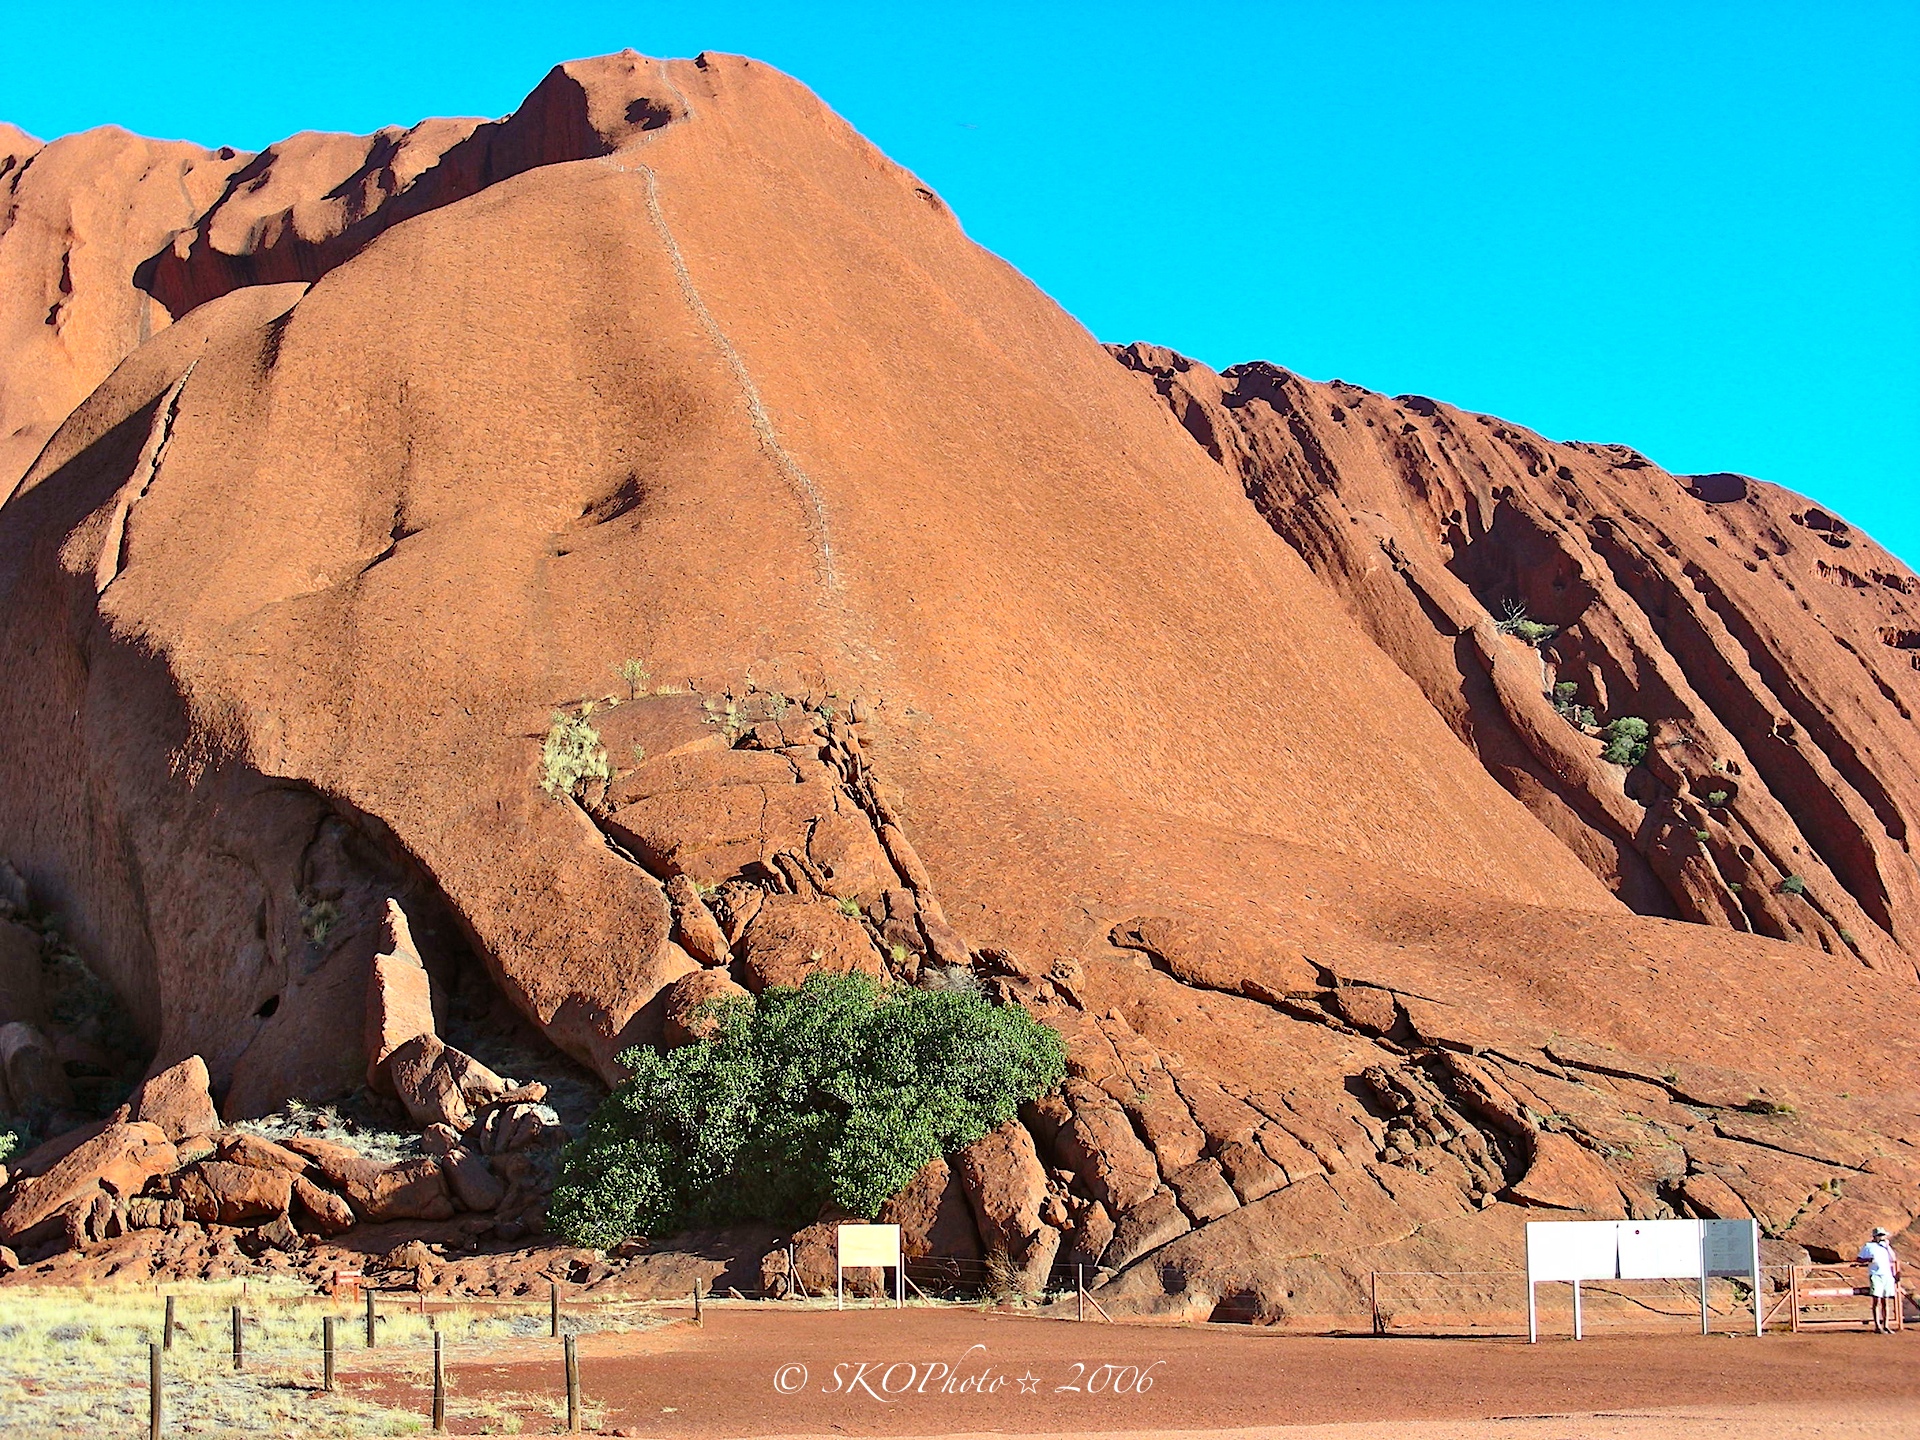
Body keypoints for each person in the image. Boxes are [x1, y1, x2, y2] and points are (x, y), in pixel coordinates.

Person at [1858, 1227, 1901, 1333]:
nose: (1882, 1237)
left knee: (1885, 1301)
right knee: (1876, 1300)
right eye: (1880, 1235)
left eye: (1883, 1235)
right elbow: (1859, 1258)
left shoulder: (1886, 1247)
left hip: (1887, 1275)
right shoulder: (1868, 1246)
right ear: (1875, 1236)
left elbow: (1893, 1258)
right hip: (1876, 1275)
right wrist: (1868, 1259)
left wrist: (1887, 1246)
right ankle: (1877, 1326)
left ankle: (1886, 1325)